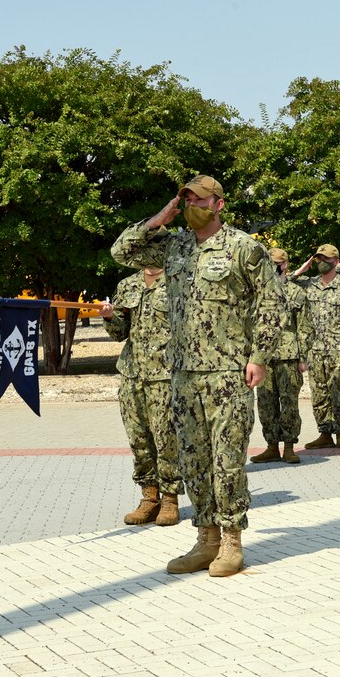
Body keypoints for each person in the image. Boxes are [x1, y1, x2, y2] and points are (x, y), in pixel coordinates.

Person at [111, 174, 283, 576]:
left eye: (199, 200)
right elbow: (122, 250)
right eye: (185, 199)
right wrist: (164, 215)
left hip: (227, 372)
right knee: (194, 460)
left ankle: (230, 541)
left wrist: (258, 356)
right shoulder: (173, 246)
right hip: (182, 373)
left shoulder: (244, 247)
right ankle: (205, 539)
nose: (192, 205)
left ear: (219, 204)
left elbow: (271, 305)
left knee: (226, 460)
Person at [101, 267, 183, 526]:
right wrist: (109, 316)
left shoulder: (178, 280)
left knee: (166, 438)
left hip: (165, 373)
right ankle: (149, 497)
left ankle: (170, 498)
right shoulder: (128, 284)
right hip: (132, 373)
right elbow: (119, 332)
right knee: (138, 438)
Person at [298, 244, 340, 451]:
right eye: (318, 259)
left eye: (325, 259)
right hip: (315, 349)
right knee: (318, 392)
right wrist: (302, 269)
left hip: (339, 348)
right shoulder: (310, 285)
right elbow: (285, 281)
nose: (321, 263)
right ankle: (324, 433)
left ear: (336, 261)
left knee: (338, 391)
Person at [250, 249, 308, 464]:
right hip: (264, 356)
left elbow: (305, 327)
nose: (272, 266)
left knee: (289, 402)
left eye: (276, 263)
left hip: (288, 355)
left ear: (286, 265)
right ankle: (271, 446)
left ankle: (290, 446)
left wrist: (304, 357)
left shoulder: (295, 293)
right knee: (266, 403)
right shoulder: (258, 292)